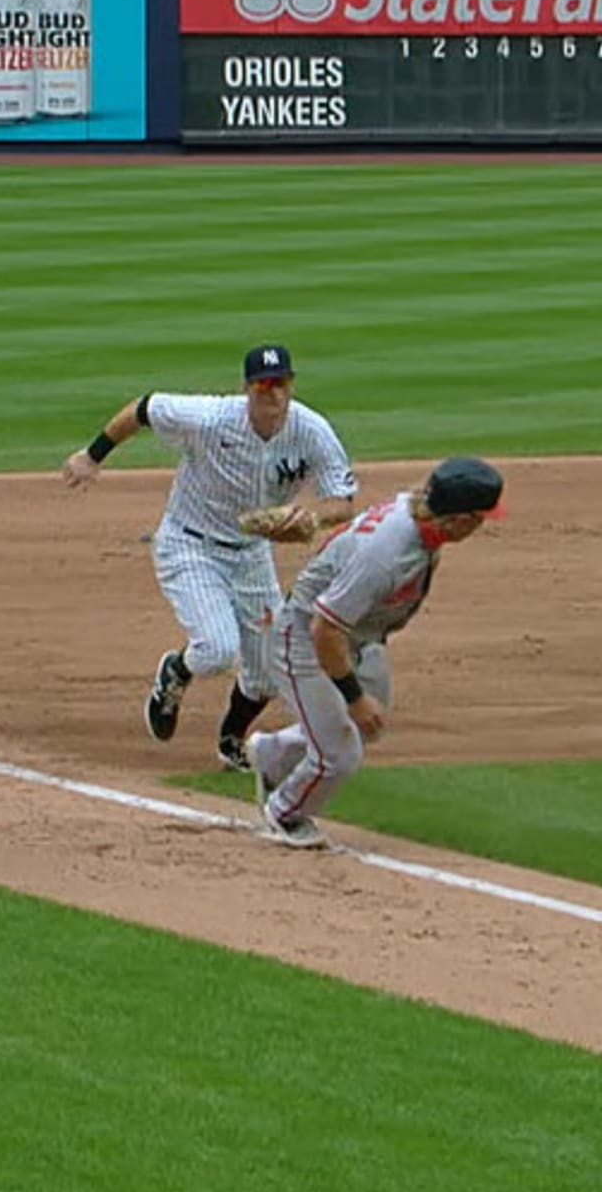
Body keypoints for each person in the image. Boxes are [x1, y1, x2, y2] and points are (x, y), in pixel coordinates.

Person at [59, 344, 360, 770]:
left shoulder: (312, 431)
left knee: (268, 672)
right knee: (218, 650)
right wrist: (91, 456)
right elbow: (144, 408)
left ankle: (231, 741)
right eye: (263, 385)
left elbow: (342, 501)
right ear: (247, 388)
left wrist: (309, 518)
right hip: (190, 545)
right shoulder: (210, 418)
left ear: (291, 385)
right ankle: (177, 671)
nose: (272, 394)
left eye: (280, 384)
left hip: (252, 555)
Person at [245, 457, 504, 848]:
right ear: (459, 520)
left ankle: (272, 754)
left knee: (366, 725)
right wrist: (353, 696)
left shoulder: (419, 517)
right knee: (339, 754)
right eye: (479, 518)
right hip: (304, 638)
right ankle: (284, 812)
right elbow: (325, 628)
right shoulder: (386, 556)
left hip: (355, 636)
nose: (481, 525)